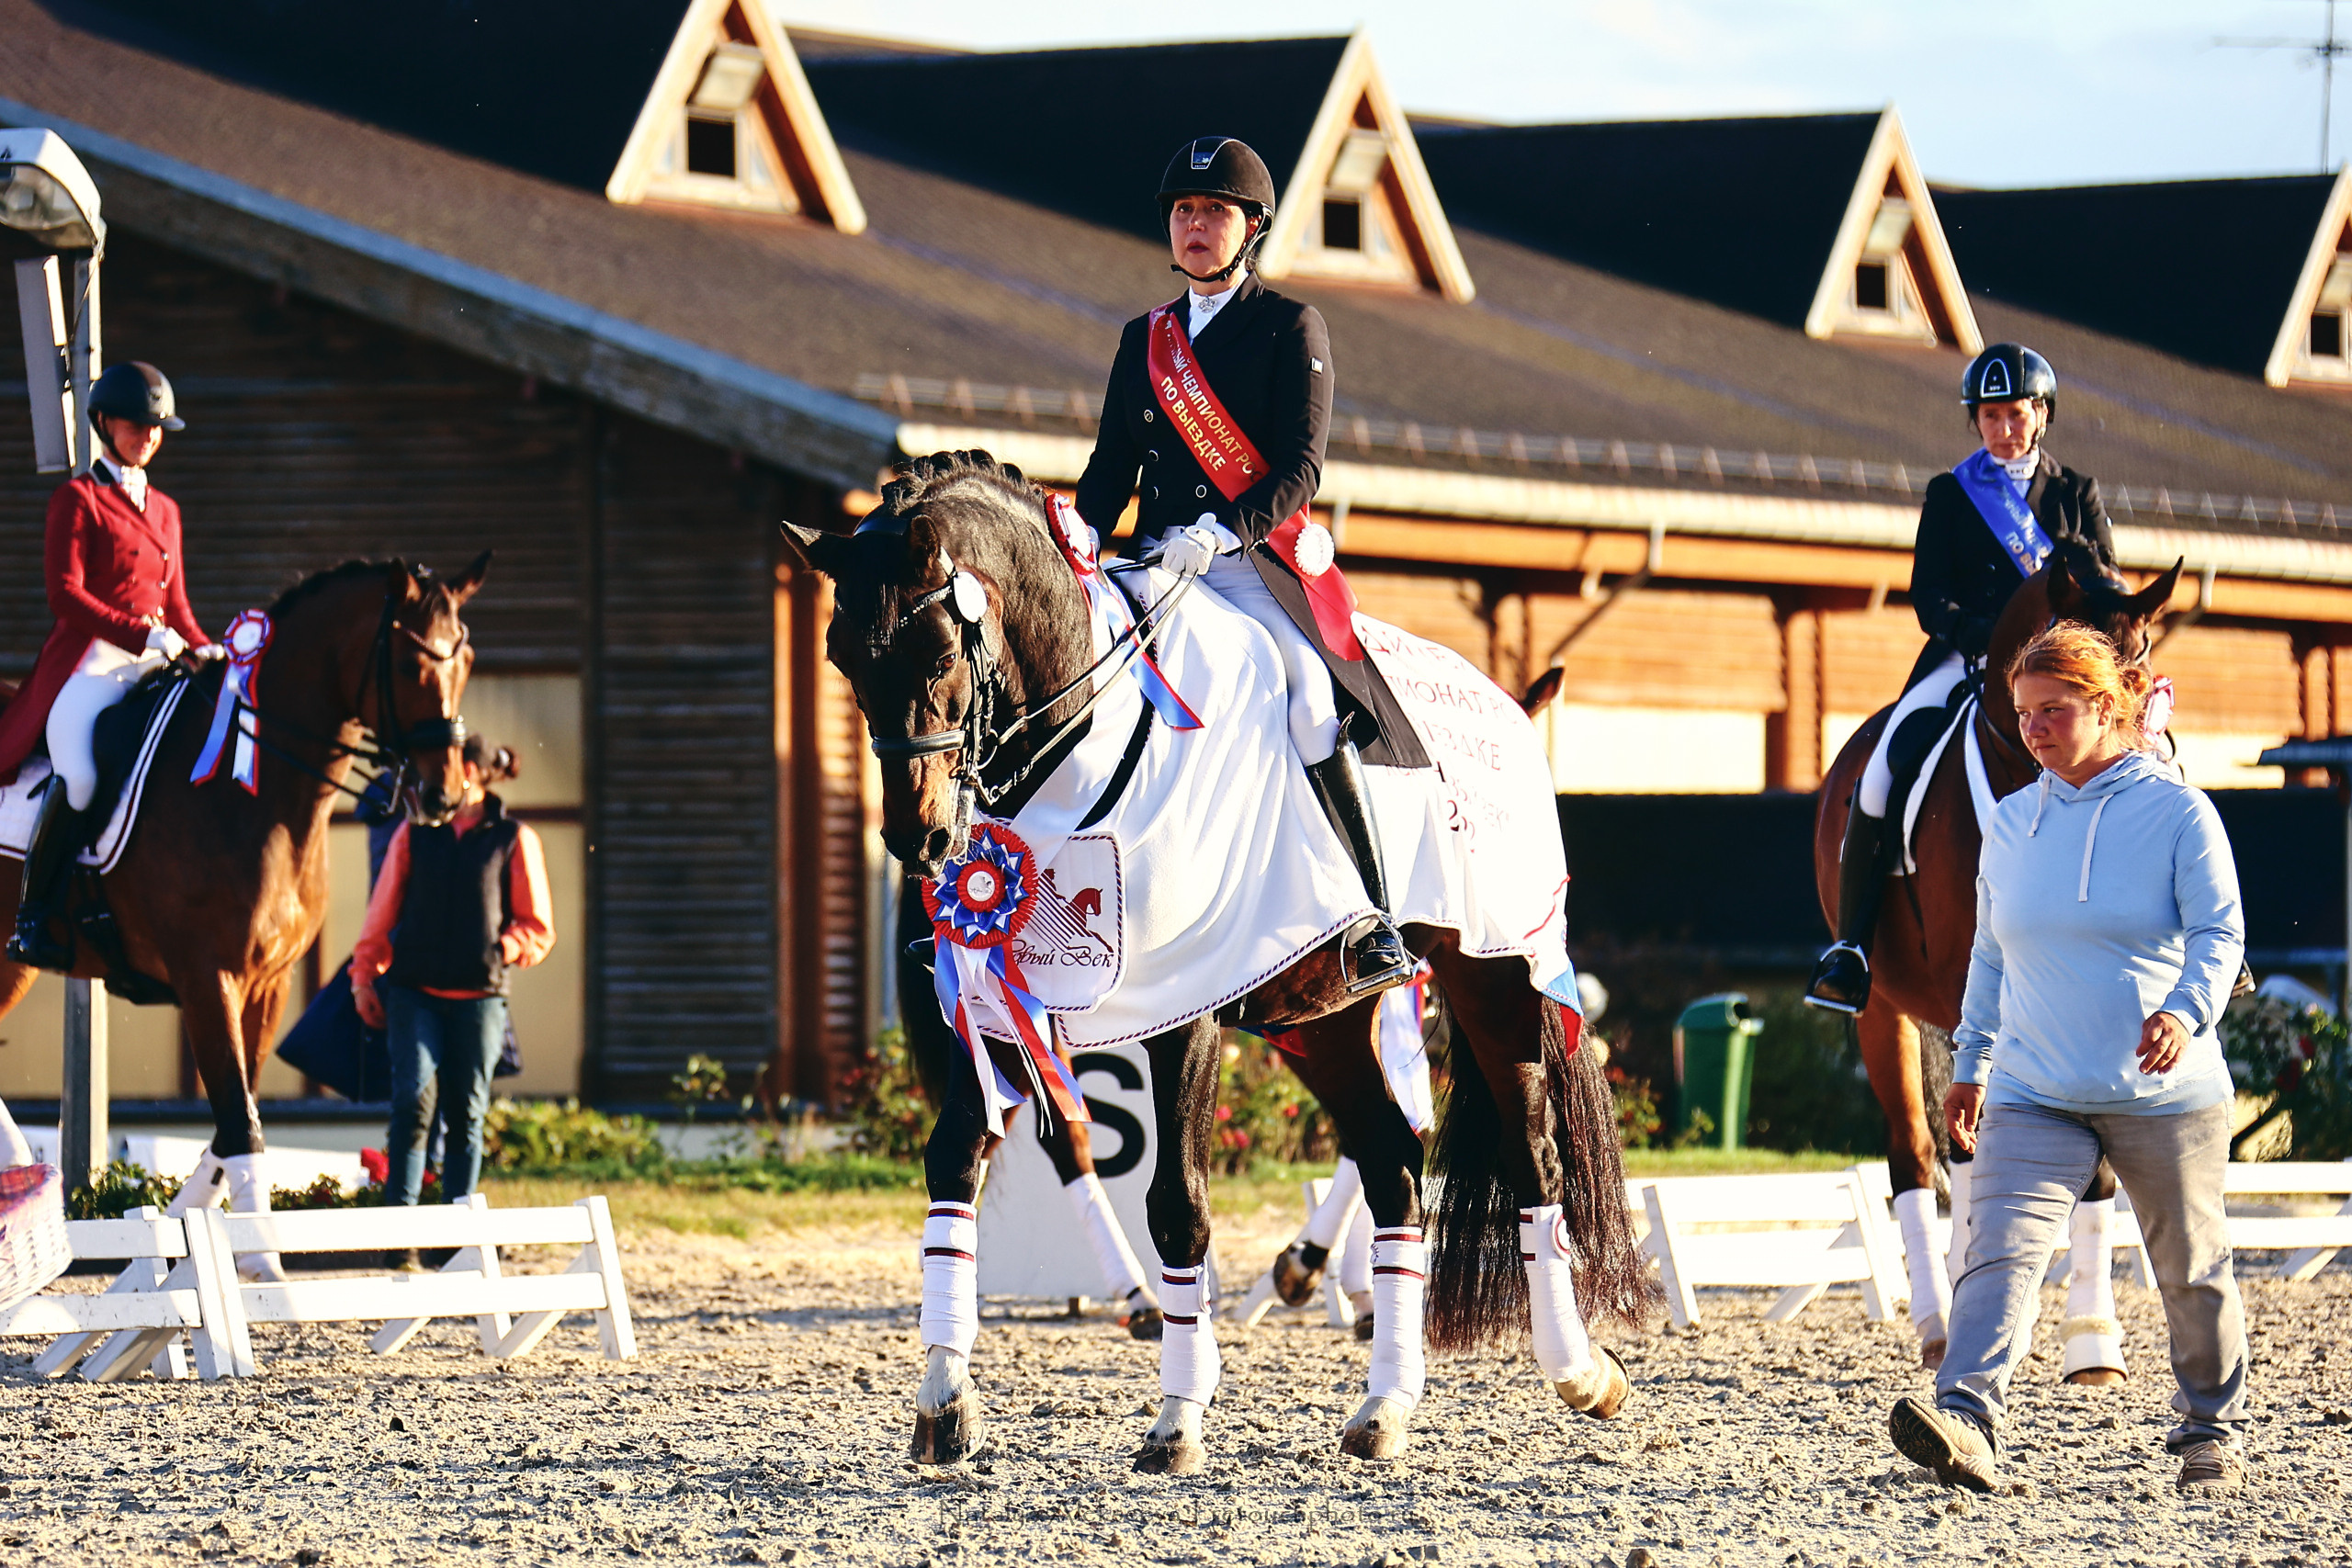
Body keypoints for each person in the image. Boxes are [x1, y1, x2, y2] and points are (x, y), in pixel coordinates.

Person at [1887, 624, 2248, 1496]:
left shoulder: (2180, 813)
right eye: (2023, 713)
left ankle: (2210, 1428)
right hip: (2035, 1086)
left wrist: (2184, 1009)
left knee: (2192, 1271)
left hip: (2163, 1091)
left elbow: (2220, 932)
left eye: (2053, 710)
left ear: (2107, 704)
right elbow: (1990, 955)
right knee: (1996, 1252)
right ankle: (1967, 1419)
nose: (2033, 728)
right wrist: (1970, 1061)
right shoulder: (2013, 821)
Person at [1073, 135, 1426, 996]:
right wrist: (1079, 536)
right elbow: (1111, 467)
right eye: (1184, 212)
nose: (1195, 226)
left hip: (1248, 564)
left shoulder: (1290, 325)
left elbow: (1301, 468)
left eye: (1214, 212)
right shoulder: (1144, 338)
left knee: (1308, 698)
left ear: (1251, 227)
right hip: (1155, 565)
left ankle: (1371, 915)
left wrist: (1222, 532)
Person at [1806, 344, 2118, 1016]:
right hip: (1966, 659)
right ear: (1976, 420)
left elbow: (2107, 590)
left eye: (2017, 414)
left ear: (2042, 415)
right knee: (1884, 767)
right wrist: (1983, 636)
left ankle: (2191, 920)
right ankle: (1851, 946)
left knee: (2154, 757)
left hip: (2066, 670)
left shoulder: (2076, 493)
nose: (2004, 429)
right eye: (1991, 416)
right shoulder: (1951, 494)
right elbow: (1929, 594)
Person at [1, 363, 216, 968]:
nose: (148, 435)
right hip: (90, 664)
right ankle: (31, 918)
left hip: (155, 665)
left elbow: (177, 604)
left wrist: (206, 646)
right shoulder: (78, 500)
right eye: (136, 424)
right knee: (80, 775)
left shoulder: (167, 509)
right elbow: (65, 595)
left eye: (157, 427)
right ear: (104, 422)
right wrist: (144, 634)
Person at [351, 734, 555, 1220]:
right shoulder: (414, 833)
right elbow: (381, 912)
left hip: (479, 999)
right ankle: (401, 1234)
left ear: (472, 774)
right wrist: (364, 976)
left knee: (466, 1115)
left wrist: (501, 949)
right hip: (413, 993)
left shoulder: (514, 838)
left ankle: (458, 1238)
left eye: (449, 767)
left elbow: (537, 926)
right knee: (411, 1104)